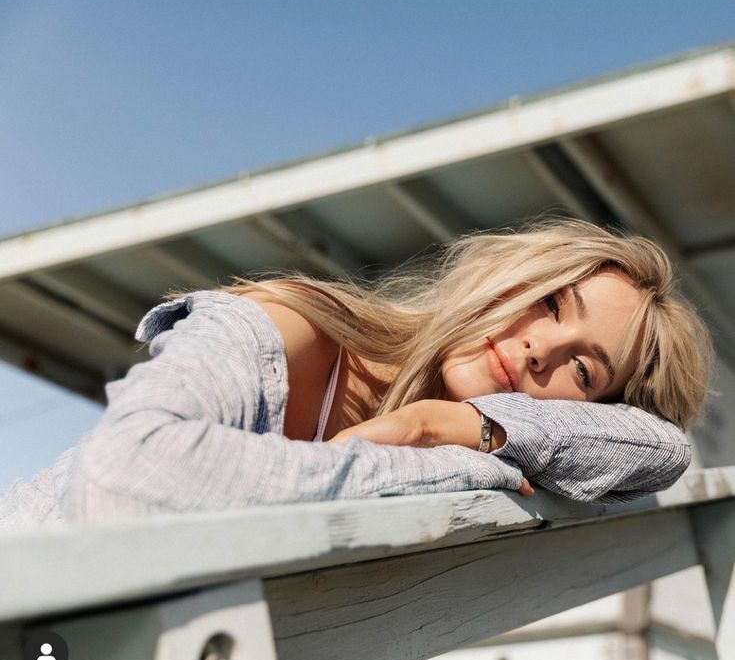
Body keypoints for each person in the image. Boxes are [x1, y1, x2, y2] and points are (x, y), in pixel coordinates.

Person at [0, 219, 712, 527]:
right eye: (551, 301)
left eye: (583, 371)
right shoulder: (287, 327)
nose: (539, 350)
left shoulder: (484, 434)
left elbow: (663, 451)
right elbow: (125, 475)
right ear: (512, 272)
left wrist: (458, 426)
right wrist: (454, 466)